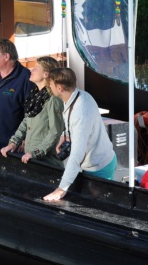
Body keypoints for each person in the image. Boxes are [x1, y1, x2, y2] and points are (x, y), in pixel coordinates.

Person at [43, 68, 117, 202]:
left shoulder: (80, 112)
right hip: (94, 163)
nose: (49, 86)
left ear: (59, 88)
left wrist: (61, 189)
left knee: (96, 210)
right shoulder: (80, 95)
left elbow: (77, 154)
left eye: (51, 84)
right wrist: (65, 135)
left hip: (99, 167)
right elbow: (69, 119)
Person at [1, 56, 64, 168]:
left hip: (46, 163)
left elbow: (55, 131)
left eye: (36, 68)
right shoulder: (35, 96)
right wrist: (13, 143)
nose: (31, 70)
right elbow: (26, 121)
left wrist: (36, 153)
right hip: (30, 159)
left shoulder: (53, 100)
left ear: (46, 74)